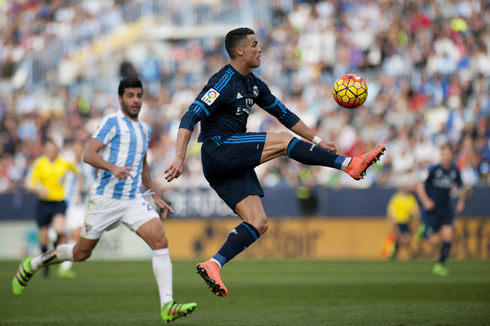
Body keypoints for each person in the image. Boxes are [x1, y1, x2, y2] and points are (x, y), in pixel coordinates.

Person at [165, 27, 386, 297]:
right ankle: (349, 165)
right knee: (282, 141)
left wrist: (317, 140)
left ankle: (213, 264)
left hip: (229, 164)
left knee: (258, 222)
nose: (260, 49)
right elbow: (190, 116)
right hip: (218, 149)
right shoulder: (222, 82)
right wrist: (179, 156)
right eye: (255, 45)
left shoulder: (254, 84)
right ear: (240, 51)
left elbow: (284, 113)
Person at [12, 78, 197, 323]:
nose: (135, 100)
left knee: (160, 240)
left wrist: (154, 195)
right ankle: (33, 264)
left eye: (138, 95)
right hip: (105, 200)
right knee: (81, 253)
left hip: (132, 200)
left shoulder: (145, 129)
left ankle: (167, 305)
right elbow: (89, 154)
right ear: (120, 98)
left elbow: (142, 165)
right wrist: (112, 167)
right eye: (130, 96)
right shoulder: (111, 122)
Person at [27, 141, 78, 278]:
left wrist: (78, 190)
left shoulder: (64, 162)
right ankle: (45, 265)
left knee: (60, 231)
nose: (51, 152)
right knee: (43, 240)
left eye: (53, 149)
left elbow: (79, 172)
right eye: (48, 149)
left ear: (56, 150)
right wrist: (39, 190)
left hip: (58, 202)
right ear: (44, 150)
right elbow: (30, 185)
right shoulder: (39, 164)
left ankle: (52, 257)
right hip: (43, 203)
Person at [416, 144, 465, 276]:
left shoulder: (455, 171)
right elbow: (419, 186)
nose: (447, 156)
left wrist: (461, 201)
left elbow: (461, 187)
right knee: (434, 241)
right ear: (441, 155)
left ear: (452, 155)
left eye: (449, 153)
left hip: (446, 208)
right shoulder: (433, 169)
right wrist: (426, 201)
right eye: (444, 153)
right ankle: (425, 229)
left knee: (449, 235)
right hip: (432, 209)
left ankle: (440, 264)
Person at [58, 140, 95, 278]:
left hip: (78, 206)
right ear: (73, 150)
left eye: (80, 149)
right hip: (64, 203)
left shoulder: (87, 167)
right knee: (60, 234)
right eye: (76, 149)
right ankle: (54, 259)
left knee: (76, 234)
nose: (78, 152)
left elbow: (90, 185)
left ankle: (64, 267)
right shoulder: (66, 165)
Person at [386, 185, 421, 259]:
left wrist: (416, 216)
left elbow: (415, 210)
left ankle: (395, 249)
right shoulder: (396, 198)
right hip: (398, 221)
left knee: (403, 238)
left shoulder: (410, 198)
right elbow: (391, 210)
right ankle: (411, 253)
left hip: (407, 221)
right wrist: (391, 221)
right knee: (405, 238)